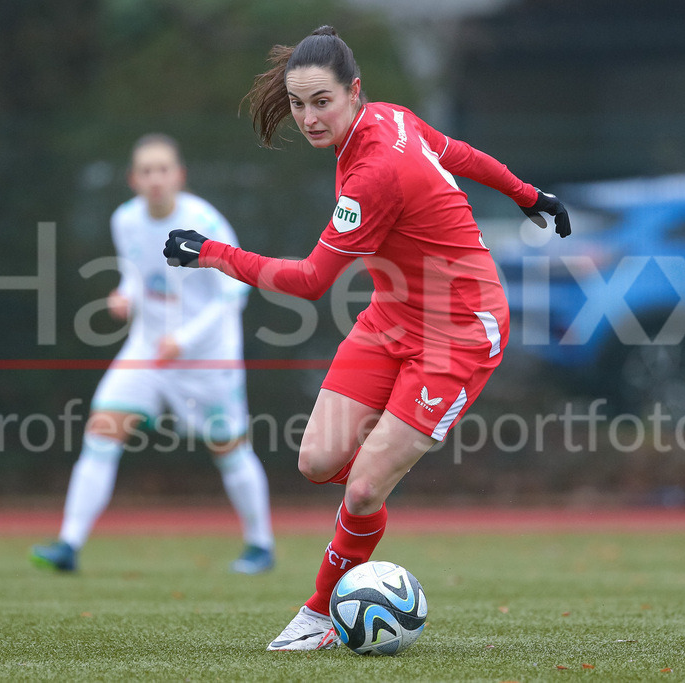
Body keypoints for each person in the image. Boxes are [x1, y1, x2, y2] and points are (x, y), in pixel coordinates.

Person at [163, 26, 570, 651]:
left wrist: (210, 253)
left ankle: (322, 609)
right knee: (317, 461)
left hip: (461, 330)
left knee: (359, 486)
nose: (307, 117)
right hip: (392, 313)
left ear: (355, 92)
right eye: (298, 103)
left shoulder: (376, 169)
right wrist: (528, 195)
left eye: (321, 101)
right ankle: (368, 510)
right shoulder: (390, 120)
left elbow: (307, 282)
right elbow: (456, 152)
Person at [31, 134, 275, 574]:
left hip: (208, 358)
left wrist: (185, 340)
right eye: (146, 171)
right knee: (102, 428)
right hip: (147, 350)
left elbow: (234, 293)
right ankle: (69, 544)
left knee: (230, 448)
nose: (156, 179)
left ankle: (260, 546)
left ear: (179, 175)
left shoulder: (206, 222)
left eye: (163, 169)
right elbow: (136, 274)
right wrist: (125, 296)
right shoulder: (125, 220)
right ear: (133, 180)